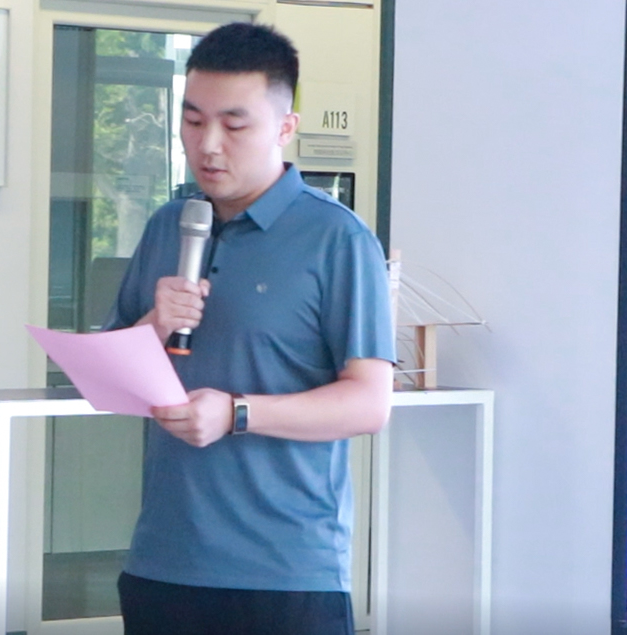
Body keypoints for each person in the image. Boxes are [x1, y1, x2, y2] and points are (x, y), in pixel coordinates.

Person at [105, 22, 395, 635]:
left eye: (234, 126)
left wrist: (237, 413)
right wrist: (155, 324)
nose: (207, 145)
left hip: (284, 575)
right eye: (192, 121)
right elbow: (106, 382)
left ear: (286, 128)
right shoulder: (167, 226)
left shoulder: (337, 239)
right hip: (162, 562)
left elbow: (369, 404)